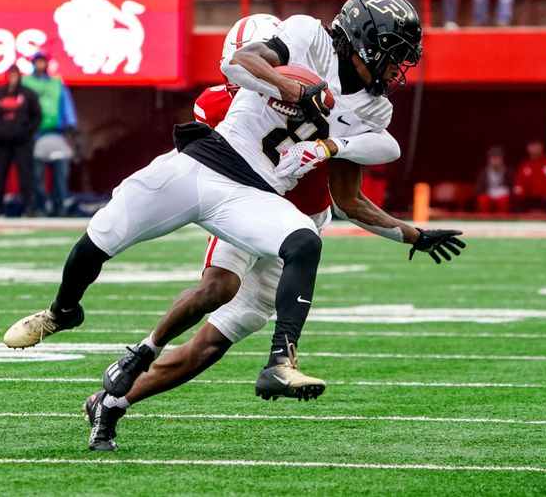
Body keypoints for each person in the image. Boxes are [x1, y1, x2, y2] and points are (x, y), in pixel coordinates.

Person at [4, 0, 461, 406]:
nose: (396, 69)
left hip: (256, 192)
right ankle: (64, 311)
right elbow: (237, 63)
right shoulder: (307, 36)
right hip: (206, 162)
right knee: (101, 235)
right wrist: (292, 89)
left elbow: (383, 148)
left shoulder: (373, 106)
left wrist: (331, 147)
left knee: (304, 241)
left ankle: (280, 362)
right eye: (394, 56)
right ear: (365, 41)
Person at [83, 22, 464, 450]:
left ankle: (112, 402)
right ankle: (140, 352)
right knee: (217, 287)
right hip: (247, 203)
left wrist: (412, 234)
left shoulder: (350, 102)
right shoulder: (229, 100)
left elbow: (349, 198)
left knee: (215, 343)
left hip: (301, 223)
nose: (396, 69)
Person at [21, 51, 79, 217]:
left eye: (42, 61)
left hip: (56, 134)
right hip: (34, 135)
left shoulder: (57, 84)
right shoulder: (26, 83)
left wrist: (71, 127)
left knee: (60, 175)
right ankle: (40, 206)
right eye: (37, 62)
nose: (40, 65)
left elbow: (66, 106)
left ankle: (59, 207)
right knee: (36, 176)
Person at [0, 65, 43, 217]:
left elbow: (37, 117)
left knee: (25, 174)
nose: (13, 78)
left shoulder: (28, 94)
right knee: (0, 174)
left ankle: (28, 206)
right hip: (2, 142)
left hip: (22, 142)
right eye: (10, 75)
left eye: (15, 75)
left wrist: (25, 132)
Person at [512, 139, 546, 212]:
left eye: (537, 145)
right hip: (529, 198)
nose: (535, 149)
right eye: (532, 146)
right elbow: (519, 183)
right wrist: (519, 190)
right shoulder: (525, 165)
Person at [475, 145, 512, 213]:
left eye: (498, 158)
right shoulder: (483, 172)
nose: (495, 160)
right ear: (489, 160)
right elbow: (479, 187)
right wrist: (486, 193)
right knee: (483, 200)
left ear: (502, 159)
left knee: (504, 201)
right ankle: (485, 221)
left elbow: (511, 186)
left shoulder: (508, 171)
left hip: (503, 194)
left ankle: (503, 221)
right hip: (488, 194)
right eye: (493, 158)